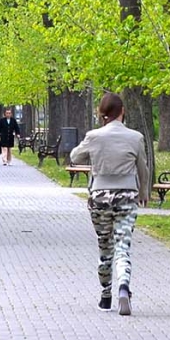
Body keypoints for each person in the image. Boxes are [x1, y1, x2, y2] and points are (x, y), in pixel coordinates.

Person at [70, 92, 148, 316]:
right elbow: (143, 168)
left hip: (100, 196)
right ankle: (124, 286)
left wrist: (93, 154)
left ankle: (105, 297)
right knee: (123, 245)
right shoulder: (136, 137)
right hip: (127, 196)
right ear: (122, 111)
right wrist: (143, 191)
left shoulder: (94, 137)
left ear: (101, 113)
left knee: (105, 247)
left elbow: (75, 157)